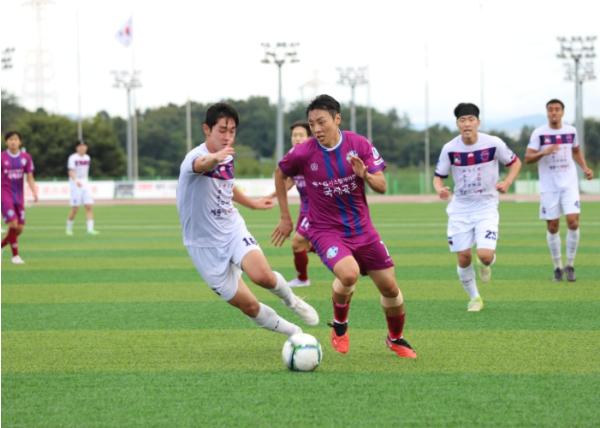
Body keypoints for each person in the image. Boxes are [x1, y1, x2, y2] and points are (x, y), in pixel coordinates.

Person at [272, 94, 417, 359]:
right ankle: (340, 325)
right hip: (325, 230)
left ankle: (395, 339)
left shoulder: (359, 144)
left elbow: (382, 186)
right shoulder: (304, 152)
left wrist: (365, 175)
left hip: (363, 230)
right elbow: (280, 173)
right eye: (312, 124)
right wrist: (285, 217)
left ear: (337, 119)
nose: (316, 129)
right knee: (349, 274)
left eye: (322, 122)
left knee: (391, 289)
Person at [176, 102, 319, 341]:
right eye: (222, 130)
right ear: (206, 129)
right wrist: (214, 158)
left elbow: (227, 186)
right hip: (203, 246)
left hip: (232, 230)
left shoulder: (227, 155)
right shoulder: (195, 157)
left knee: (263, 276)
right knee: (250, 306)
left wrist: (252, 203)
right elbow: (201, 165)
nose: (228, 136)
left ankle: (292, 301)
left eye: (232, 131)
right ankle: (294, 333)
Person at [433, 103, 522, 312]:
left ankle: (486, 263)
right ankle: (475, 298)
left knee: (484, 255)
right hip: (460, 208)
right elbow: (438, 177)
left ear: (478, 122)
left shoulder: (493, 143)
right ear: (457, 124)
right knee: (463, 256)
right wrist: (440, 190)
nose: (467, 124)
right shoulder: (450, 148)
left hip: (486, 206)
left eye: (471, 119)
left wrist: (507, 182)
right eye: (462, 120)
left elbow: (515, 163)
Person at [525, 99, 594, 282]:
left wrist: (585, 168)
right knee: (552, 226)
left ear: (562, 112)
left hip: (569, 184)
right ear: (547, 112)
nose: (554, 112)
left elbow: (576, 151)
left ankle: (570, 265)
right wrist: (543, 152)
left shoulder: (571, 131)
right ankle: (557, 266)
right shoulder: (539, 133)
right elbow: (528, 158)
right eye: (550, 110)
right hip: (549, 186)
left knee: (573, 222)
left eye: (557, 109)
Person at [279, 121, 314, 287]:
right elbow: (289, 181)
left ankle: (302, 279)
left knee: (297, 242)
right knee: (300, 245)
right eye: (294, 135)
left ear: (309, 138)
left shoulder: (314, 156)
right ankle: (302, 279)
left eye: (301, 135)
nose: (297, 138)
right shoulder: (292, 157)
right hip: (304, 207)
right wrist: (272, 196)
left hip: (316, 207)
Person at [1, 131, 39, 264]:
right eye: (10, 139)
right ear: (6, 142)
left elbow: (30, 177)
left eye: (16, 139)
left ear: (20, 142)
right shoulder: (1, 157)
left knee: (19, 229)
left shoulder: (26, 157)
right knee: (13, 223)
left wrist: (34, 191)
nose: (13, 142)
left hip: (19, 196)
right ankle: (15, 256)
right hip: (4, 194)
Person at [66, 140, 99, 236]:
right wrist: (76, 181)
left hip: (85, 183)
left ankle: (90, 229)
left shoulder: (87, 157)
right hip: (75, 184)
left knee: (89, 206)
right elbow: (70, 171)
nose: (83, 148)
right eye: (80, 146)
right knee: (75, 208)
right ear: (77, 148)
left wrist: (84, 182)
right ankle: (69, 229)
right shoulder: (72, 158)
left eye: (84, 146)